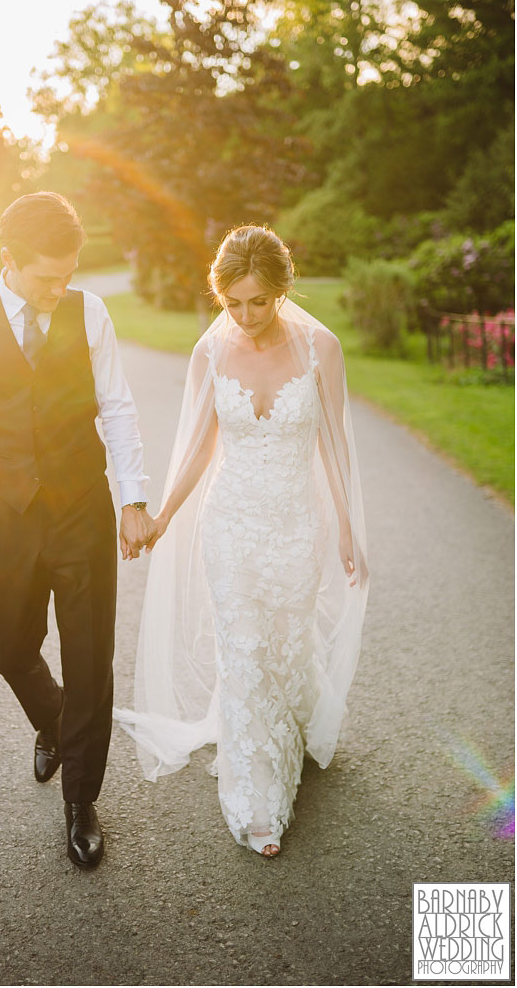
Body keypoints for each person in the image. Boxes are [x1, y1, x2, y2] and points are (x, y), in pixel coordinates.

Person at [115, 225, 369, 857]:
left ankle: (298, 720)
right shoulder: (211, 353)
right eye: (233, 303)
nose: (247, 316)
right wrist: (164, 515)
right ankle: (258, 799)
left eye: (260, 301)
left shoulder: (321, 349)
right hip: (228, 526)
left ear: (283, 291)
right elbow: (198, 446)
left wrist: (347, 527)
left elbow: (334, 445)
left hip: (294, 524)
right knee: (246, 655)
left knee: (284, 645)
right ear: (218, 295)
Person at [0, 192, 153, 868]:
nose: (60, 288)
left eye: (68, 274)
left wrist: (132, 498)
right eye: (45, 277)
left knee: (90, 658)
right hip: (4, 512)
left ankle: (81, 801)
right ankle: (56, 725)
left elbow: (116, 406)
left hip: (83, 509)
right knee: (4, 643)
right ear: (8, 259)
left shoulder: (90, 313)